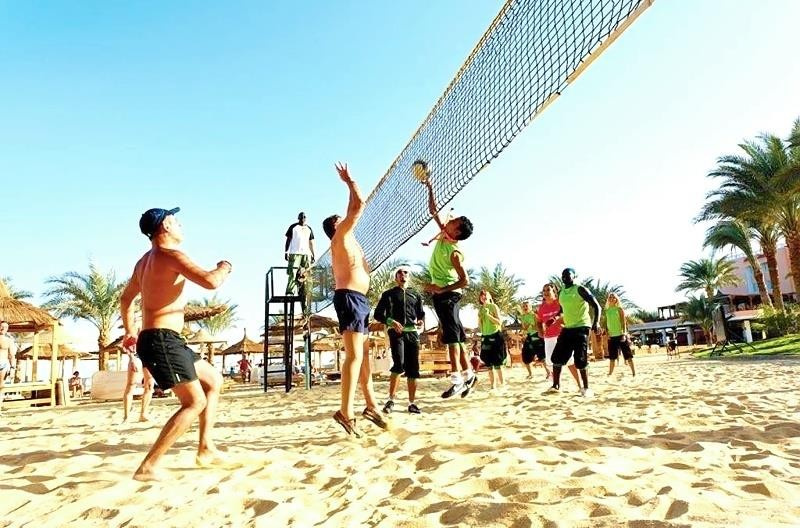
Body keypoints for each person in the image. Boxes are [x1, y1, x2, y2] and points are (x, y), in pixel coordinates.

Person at [120, 207, 234, 481]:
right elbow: (211, 282)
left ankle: (205, 448)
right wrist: (225, 267)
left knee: (213, 381)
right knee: (194, 402)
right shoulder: (171, 255)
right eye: (175, 220)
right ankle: (147, 467)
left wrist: (130, 331)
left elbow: (125, 299)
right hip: (161, 340)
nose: (180, 224)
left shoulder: (143, 262)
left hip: (164, 339)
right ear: (166, 226)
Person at [323, 162, 387, 437]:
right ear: (336, 226)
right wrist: (350, 182)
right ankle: (345, 412)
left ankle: (371, 405)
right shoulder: (341, 235)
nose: (346, 216)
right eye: (342, 218)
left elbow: (352, 208)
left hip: (358, 300)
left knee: (364, 358)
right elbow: (358, 205)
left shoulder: (349, 240)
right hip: (349, 298)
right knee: (354, 356)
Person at [419, 170, 476, 398]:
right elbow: (433, 210)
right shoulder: (444, 233)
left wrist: (441, 289)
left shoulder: (455, 252)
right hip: (443, 295)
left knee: (452, 339)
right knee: (458, 339)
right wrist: (429, 185)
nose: (450, 221)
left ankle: (456, 380)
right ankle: (469, 375)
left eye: (454, 222)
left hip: (449, 295)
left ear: (457, 231)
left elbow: (465, 280)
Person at [373, 264, 425, 414]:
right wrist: (391, 322)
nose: (403, 275)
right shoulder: (388, 294)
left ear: (409, 276)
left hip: (412, 333)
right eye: (400, 273)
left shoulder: (415, 294)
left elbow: (420, 313)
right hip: (396, 333)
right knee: (398, 364)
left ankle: (412, 403)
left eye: (405, 273)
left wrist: (420, 321)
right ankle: (391, 400)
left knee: (413, 368)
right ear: (395, 277)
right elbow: (378, 314)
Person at [546, 268, 601, 397]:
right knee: (557, 357)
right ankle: (556, 385)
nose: (565, 277)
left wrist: (596, 322)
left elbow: (596, 306)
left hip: (582, 327)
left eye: (568, 275)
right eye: (563, 275)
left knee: (580, 359)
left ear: (574, 276)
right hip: (568, 328)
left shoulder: (580, 289)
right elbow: (562, 310)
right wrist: (554, 319)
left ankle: (586, 388)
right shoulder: (561, 292)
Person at [538, 283, 581, 389]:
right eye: (544, 290)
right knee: (550, 362)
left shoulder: (560, 303)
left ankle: (580, 385)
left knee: (570, 361)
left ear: (554, 292)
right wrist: (540, 331)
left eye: (548, 290)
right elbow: (539, 321)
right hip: (548, 337)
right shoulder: (541, 307)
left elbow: (566, 313)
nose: (546, 292)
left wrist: (557, 319)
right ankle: (556, 384)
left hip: (562, 335)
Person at [477, 290, 506, 390]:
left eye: (485, 295)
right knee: (488, 364)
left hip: (496, 336)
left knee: (498, 363)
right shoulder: (480, 309)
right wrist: (480, 318)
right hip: (485, 337)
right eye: (481, 295)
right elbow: (480, 326)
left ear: (489, 296)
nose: (483, 296)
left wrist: (488, 315)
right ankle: (493, 385)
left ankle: (502, 384)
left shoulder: (494, 306)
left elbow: (499, 322)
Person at [284, 212, 315, 296]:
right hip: (295, 253)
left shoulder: (309, 228)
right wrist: (286, 252)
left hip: (306, 254)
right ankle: (290, 291)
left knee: (307, 272)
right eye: (301, 217)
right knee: (292, 272)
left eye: (304, 217)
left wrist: (313, 254)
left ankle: (308, 291)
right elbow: (288, 240)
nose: (303, 218)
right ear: (298, 218)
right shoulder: (293, 227)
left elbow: (311, 242)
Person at [122, 345, 154, 422]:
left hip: (149, 357)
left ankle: (143, 414)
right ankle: (126, 416)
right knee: (131, 385)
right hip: (136, 357)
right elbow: (126, 345)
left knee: (149, 386)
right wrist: (132, 358)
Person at [605, 292, 635, 376]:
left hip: (621, 335)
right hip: (612, 336)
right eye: (610, 297)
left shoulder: (619, 309)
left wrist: (623, 334)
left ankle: (633, 373)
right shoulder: (607, 311)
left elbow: (623, 322)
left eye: (613, 297)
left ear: (616, 299)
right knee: (612, 357)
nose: (611, 298)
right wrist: (607, 334)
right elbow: (607, 323)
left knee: (628, 356)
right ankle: (610, 373)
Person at [519, 301, 546, 379]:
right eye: (523, 306)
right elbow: (524, 328)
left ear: (530, 307)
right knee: (525, 355)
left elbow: (538, 326)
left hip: (536, 335)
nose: (525, 307)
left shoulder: (534, 315)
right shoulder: (522, 317)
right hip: (529, 336)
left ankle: (548, 373)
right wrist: (527, 326)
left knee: (541, 355)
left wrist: (531, 326)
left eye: (526, 306)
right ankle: (530, 374)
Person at [0, 321, 18, 412]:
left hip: (3, 363)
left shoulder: (9, 340)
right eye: (1, 326)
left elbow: (12, 355)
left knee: (1, 386)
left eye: (5, 327)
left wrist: (13, 368)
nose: (3, 328)